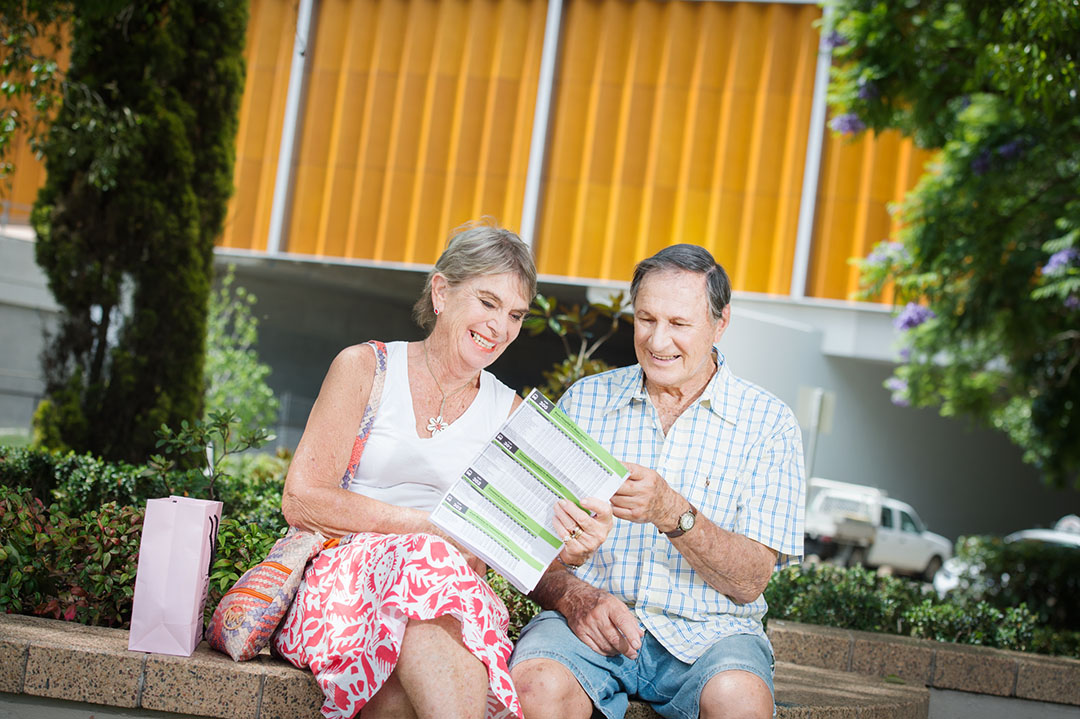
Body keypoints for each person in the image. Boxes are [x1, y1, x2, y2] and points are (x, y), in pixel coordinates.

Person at [274, 221, 613, 719]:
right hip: (342, 588)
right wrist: (432, 531)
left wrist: (574, 546)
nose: (500, 327)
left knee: (401, 693)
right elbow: (302, 498)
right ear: (441, 291)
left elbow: (524, 542)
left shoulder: (512, 415)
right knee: (427, 559)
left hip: (452, 600)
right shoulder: (365, 368)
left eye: (515, 314)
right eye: (487, 302)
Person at [509, 244, 805, 719]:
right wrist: (574, 595)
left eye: (679, 324)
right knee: (533, 686)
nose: (656, 340)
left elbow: (751, 580)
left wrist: (673, 512)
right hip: (590, 625)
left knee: (741, 701)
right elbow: (523, 542)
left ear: (720, 323)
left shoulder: (769, 424)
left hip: (715, 634)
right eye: (645, 319)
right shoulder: (586, 401)